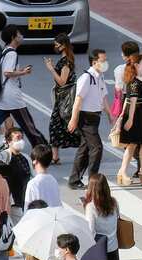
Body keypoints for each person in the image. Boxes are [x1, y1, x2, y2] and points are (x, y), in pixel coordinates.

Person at [0, 26, 47, 146]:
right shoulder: (12, 53)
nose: (21, 36)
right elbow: (7, 72)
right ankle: (42, 149)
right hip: (12, 97)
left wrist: (20, 71)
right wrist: (24, 72)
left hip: (2, 96)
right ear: (13, 37)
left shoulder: (5, 50)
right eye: (19, 35)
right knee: (28, 126)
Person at [116, 52, 142, 187]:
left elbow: (128, 100)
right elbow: (132, 101)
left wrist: (123, 115)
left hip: (141, 113)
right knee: (132, 144)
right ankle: (122, 172)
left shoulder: (137, 80)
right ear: (136, 65)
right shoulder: (134, 82)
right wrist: (129, 119)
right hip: (136, 115)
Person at [45, 35, 82, 164]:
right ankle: (55, 157)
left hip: (64, 98)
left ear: (64, 46)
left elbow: (62, 82)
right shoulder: (65, 58)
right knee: (57, 125)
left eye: (57, 45)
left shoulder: (66, 62)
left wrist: (51, 69)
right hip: (62, 97)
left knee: (58, 125)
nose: (55, 47)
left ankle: (85, 148)